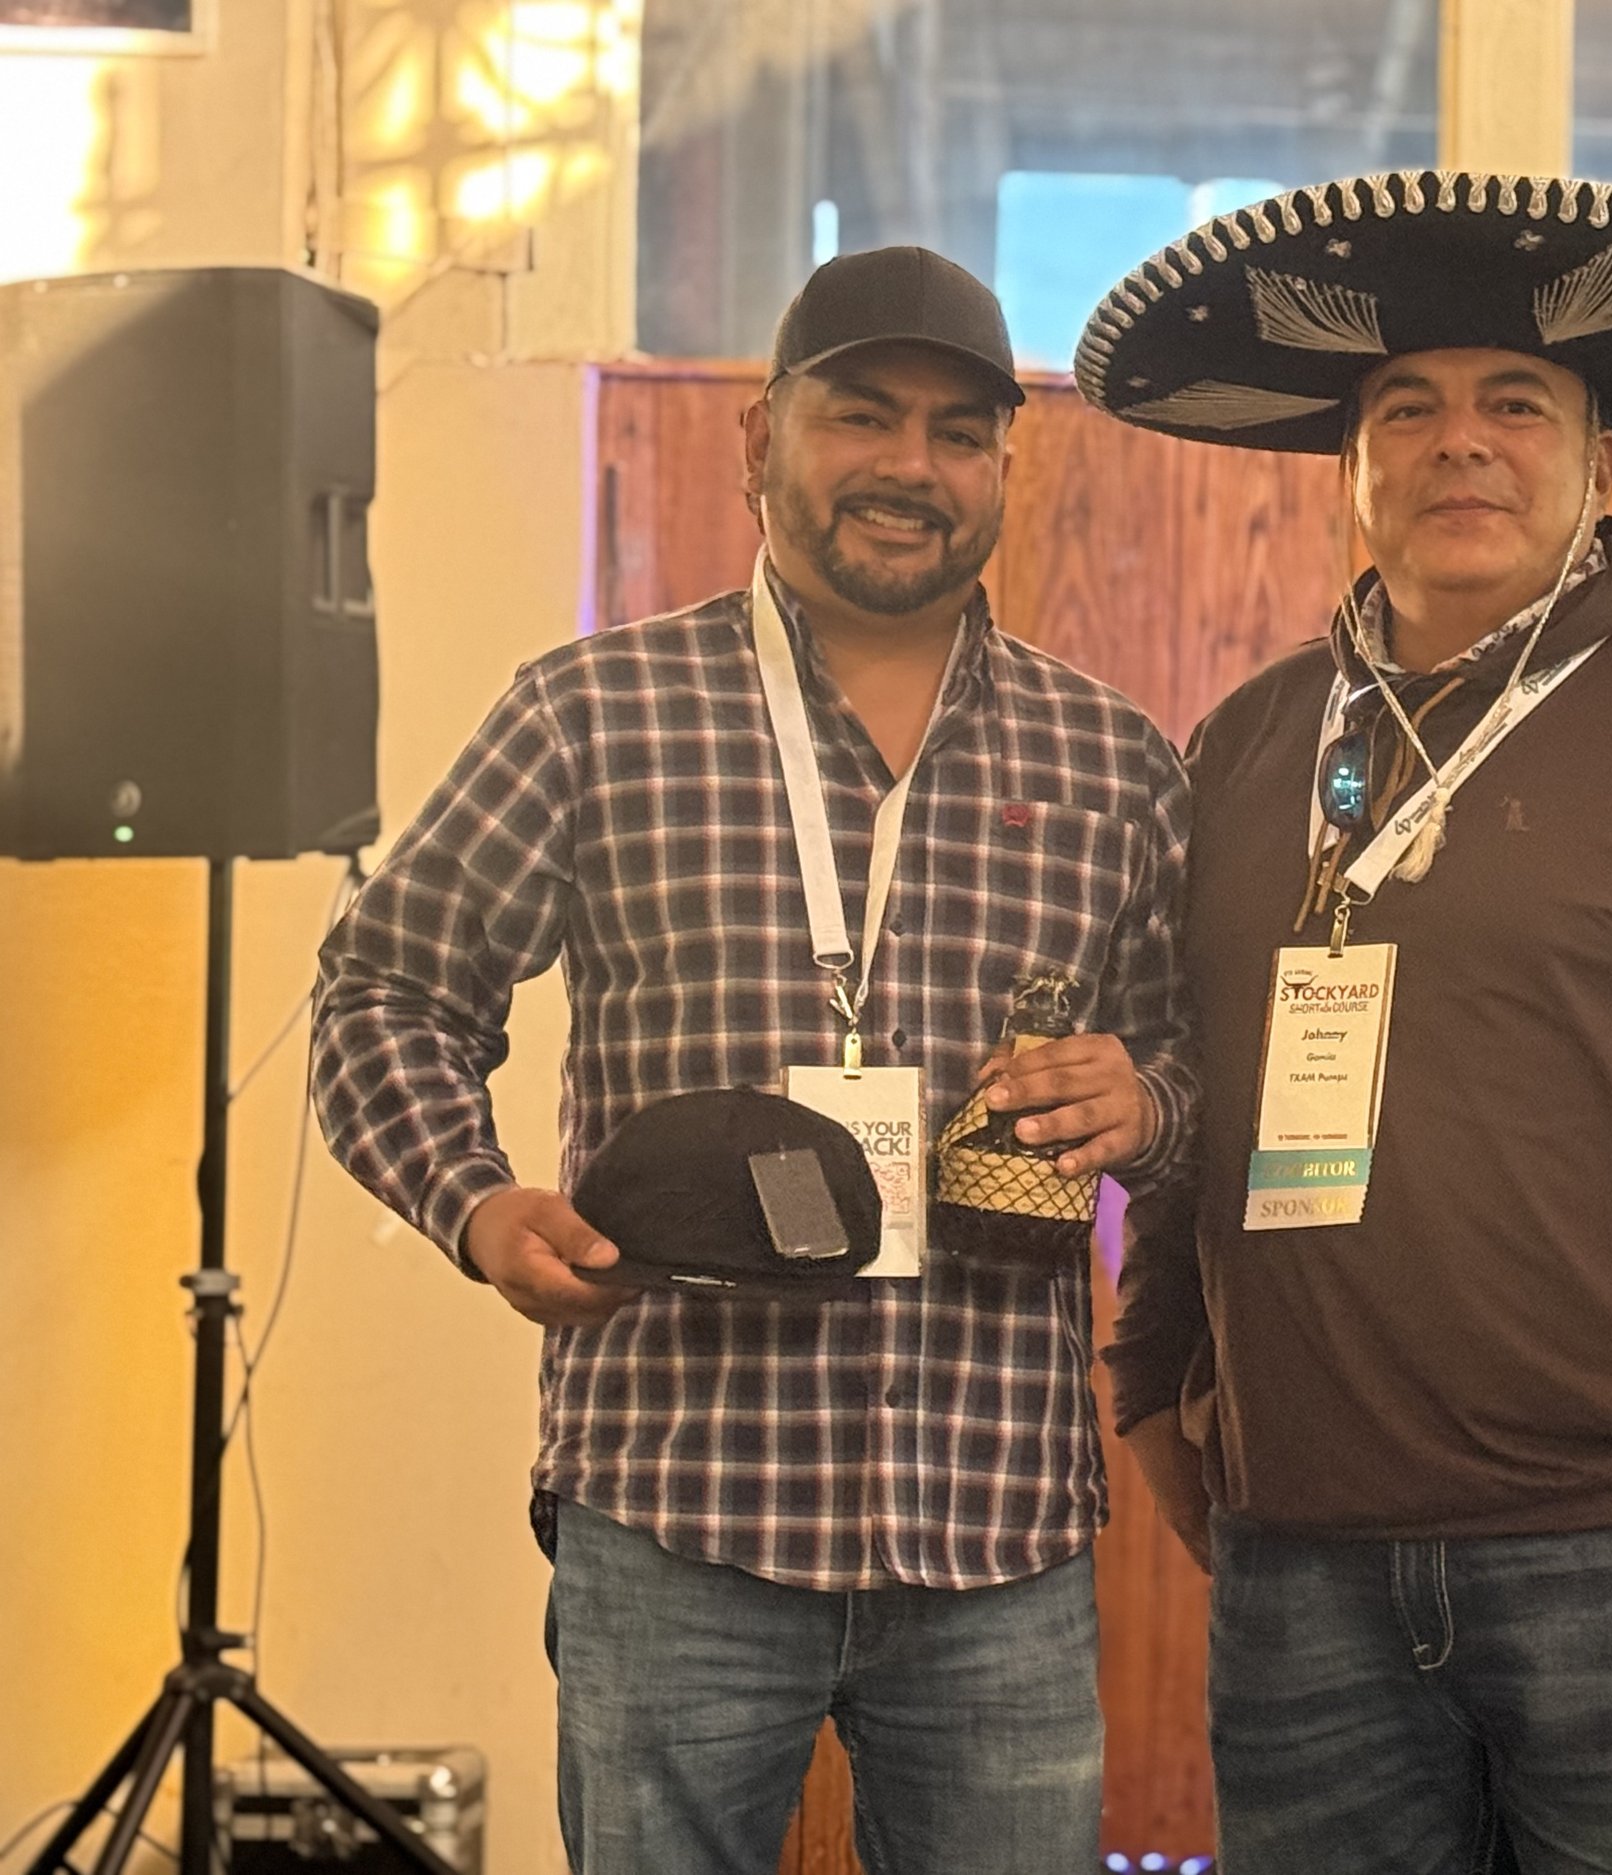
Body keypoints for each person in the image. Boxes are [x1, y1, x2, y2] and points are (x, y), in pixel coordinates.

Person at [1090, 172, 1612, 1874]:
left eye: (1514, 405)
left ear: (1601, 463)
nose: (1457, 445)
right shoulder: (1251, 747)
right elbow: (1202, 1078)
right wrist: (1150, 1371)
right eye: (1405, 409)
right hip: (1307, 1562)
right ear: (1350, 467)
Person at [313, 246, 1193, 1875]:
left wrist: (1144, 1102)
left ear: (1005, 465)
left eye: (954, 432)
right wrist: (478, 1205)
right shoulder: (593, 713)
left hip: (992, 1527)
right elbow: (384, 988)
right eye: (861, 415)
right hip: (679, 1509)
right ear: (759, 439)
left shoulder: (1113, 761)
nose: (908, 468)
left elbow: (1199, 1085)